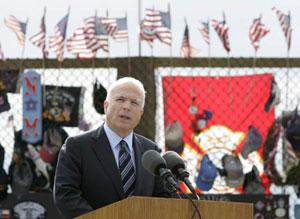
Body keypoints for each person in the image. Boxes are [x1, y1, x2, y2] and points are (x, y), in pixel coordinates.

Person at [54, 77, 168, 218]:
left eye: (134, 103)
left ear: (141, 113)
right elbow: (66, 195)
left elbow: (162, 197)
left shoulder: (151, 151)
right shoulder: (77, 146)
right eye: (120, 99)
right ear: (106, 106)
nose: (127, 107)